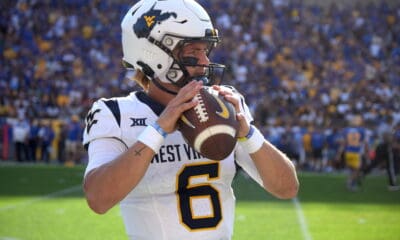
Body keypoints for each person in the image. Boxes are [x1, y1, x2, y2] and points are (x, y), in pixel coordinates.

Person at [82, 1, 299, 239]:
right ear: (154, 54)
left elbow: (287, 188)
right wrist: (158, 130)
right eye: (193, 52)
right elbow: (98, 199)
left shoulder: (225, 104)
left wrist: (248, 134)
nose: (205, 62)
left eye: (205, 51)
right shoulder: (114, 113)